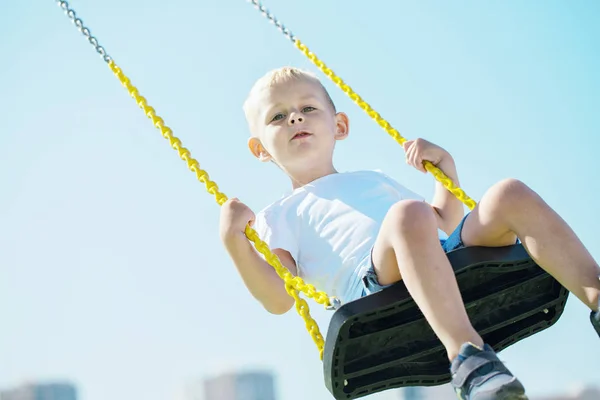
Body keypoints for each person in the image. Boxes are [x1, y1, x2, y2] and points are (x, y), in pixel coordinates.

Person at [219, 66, 600, 399]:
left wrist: (446, 172)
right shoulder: (280, 214)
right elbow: (279, 299)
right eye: (278, 116)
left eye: (307, 109)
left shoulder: (373, 180)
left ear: (340, 126)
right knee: (407, 215)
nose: (295, 120)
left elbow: (441, 222)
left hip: (433, 253)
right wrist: (235, 241)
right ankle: (468, 359)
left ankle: (596, 294)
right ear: (260, 149)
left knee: (508, 193)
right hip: (371, 286)